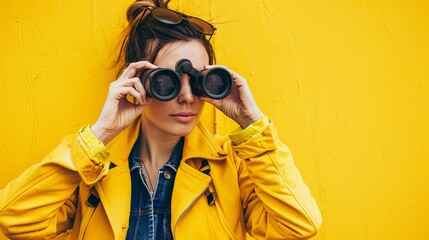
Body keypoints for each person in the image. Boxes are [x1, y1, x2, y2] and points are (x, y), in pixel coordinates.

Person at [0, 0, 322, 239]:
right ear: (138, 80)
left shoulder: (232, 167)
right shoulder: (92, 171)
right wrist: (99, 135)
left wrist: (252, 126)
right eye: (166, 82)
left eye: (198, 81)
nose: (187, 96)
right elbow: (13, 217)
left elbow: (301, 224)